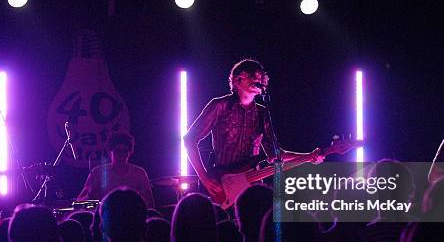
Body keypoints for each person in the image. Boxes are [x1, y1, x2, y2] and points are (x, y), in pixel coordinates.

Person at [183, 59, 324, 202]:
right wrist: (205, 178)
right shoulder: (220, 106)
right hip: (223, 181)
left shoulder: (262, 113)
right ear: (237, 80)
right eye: (252, 75)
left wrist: (309, 156)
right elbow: (189, 139)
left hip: (252, 182)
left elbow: (275, 155)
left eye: (260, 76)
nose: (258, 79)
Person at [77, 132, 155, 209]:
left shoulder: (139, 173)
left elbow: (150, 203)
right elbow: (80, 201)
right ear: (109, 152)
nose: (121, 155)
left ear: (130, 152)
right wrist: (89, 197)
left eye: (125, 151)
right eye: (117, 151)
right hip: (104, 218)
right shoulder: (97, 173)